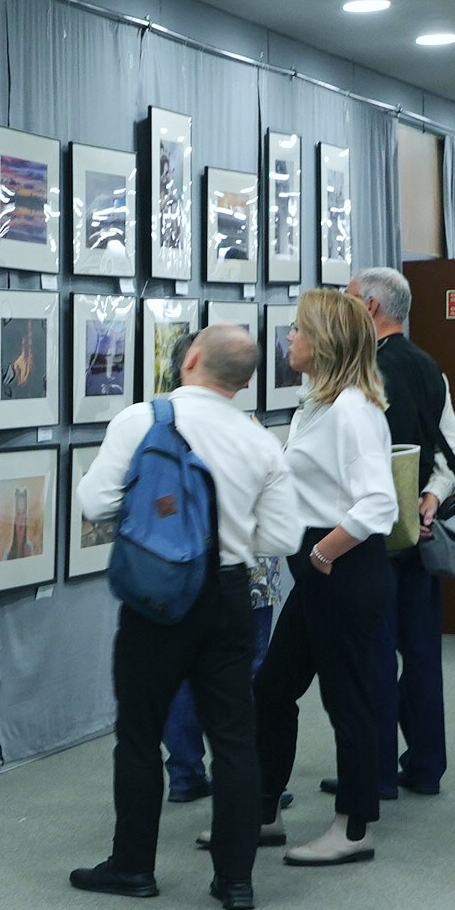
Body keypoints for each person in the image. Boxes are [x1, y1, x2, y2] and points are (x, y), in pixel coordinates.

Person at [69, 324, 299, 910]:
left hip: (159, 601)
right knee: (234, 739)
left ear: (190, 359)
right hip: (230, 597)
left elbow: (94, 502)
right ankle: (236, 880)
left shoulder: (142, 419)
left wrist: (156, 516)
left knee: (140, 735)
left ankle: (133, 867)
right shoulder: (260, 442)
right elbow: (283, 536)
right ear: (245, 381)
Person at [306, 266, 455, 802]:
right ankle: (425, 765)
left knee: (372, 653)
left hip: (367, 537)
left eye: (349, 299)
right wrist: (432, 498)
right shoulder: (431, 367)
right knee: (421, 651)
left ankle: (372, 775)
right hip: (417, 530)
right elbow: (453, 451)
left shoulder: (357, 374)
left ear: (370, 308)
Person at [253, 288, 397, 866]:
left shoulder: (351, 411)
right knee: (272, 689)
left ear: (326, 342)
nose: (289, 337)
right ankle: (262, 811)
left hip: (340, 568)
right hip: (320, 572)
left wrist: (321, 555)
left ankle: (354, 828)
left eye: (298, 329)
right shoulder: (316, 404)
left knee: (348, 701)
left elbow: (378, 504)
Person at [159, 335, 289, 807]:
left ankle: (185, 772)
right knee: (246, 677)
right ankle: (245, 777)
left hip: (174, 574)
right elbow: (279, 528)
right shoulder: (249, 432)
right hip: (244, 577)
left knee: (176, 674)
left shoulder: (157, 426)